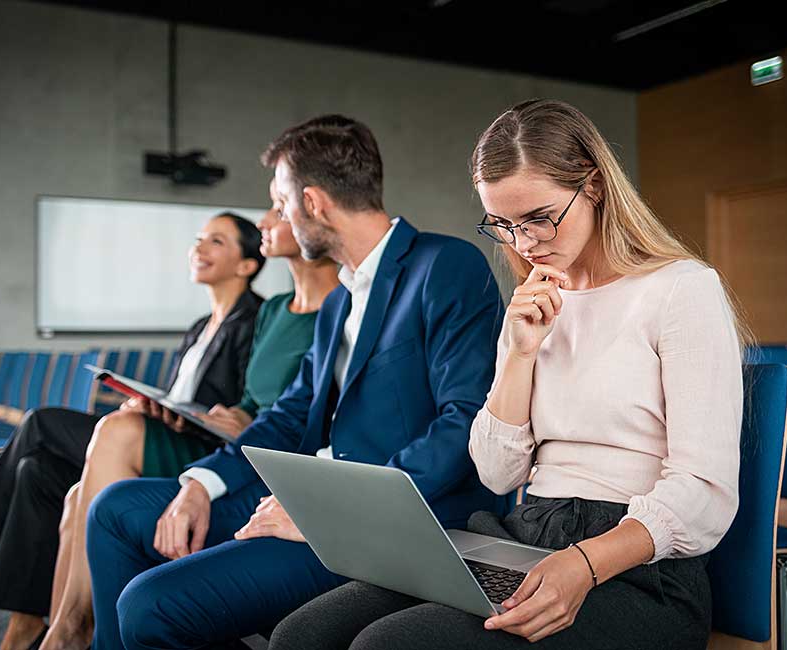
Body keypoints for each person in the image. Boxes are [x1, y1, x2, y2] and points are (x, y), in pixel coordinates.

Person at [269, 98, 748, 650]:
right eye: (503, 225)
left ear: (593, 186)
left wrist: (584, 564)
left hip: (638, 564)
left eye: (539, 218)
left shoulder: (681, 289)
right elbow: (497, 475)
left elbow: (705, 492)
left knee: (389, 644)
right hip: (523, 534)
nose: (524, 244)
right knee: (301, 635)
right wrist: (521, 353)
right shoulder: (532, 304)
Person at [83, 114, 512, 650]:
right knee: (115, 509)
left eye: (281, 201)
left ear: (313, 203)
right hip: (311, 497)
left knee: (149, 605)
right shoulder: (337, 302)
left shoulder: (444, 266)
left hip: (394, 523)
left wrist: (333, 510)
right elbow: (288, 417)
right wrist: (202, 483)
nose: (277, 215)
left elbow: (463, 421)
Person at [0, 212, 266, 650]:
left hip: (192, 448)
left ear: (247, 264)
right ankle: (25, 629)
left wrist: (180, 414)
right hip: (158, 429)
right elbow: (180, 394)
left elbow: (235, 408)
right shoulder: (199, 326)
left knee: (41, 422)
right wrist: (148, 403)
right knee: (35, 471)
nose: (199, 247)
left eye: (216, 241)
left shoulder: (253, 320)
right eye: (198, 238)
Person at [37, 181, 340, 650]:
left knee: (105, 441)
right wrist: (221, 423)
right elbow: (258, 401)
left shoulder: (341, 309)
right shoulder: (275, 309)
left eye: (278, 209)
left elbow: (305, 415)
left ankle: (72, 627)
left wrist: (235, 429)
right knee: (76, 491)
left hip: (274, 460)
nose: (264, 220)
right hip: (239, 443)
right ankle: (63, 628)